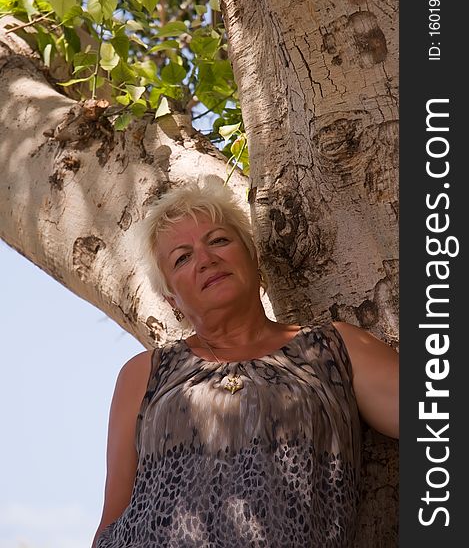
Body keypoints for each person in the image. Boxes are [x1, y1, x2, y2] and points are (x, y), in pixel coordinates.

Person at [92, 176, 399, 548]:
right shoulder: (145, 373)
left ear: (252, 256)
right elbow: (112, 522)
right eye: (182, 258)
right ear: (172, 298)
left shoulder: (333, 348)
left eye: (219, 240)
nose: (206, 260)